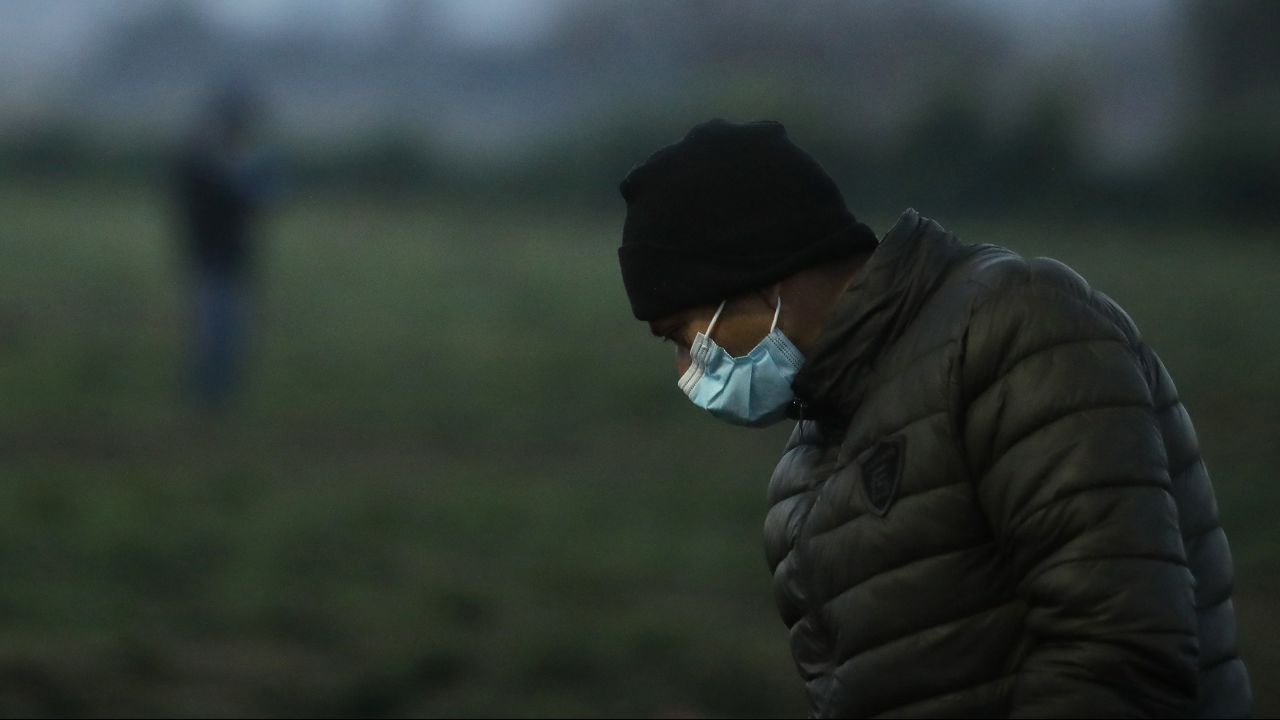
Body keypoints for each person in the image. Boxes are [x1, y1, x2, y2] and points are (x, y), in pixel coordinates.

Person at [616, 119, 1252, 718]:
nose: (685, 370)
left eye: (685, 335)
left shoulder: (1014, 330)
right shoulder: (808, 459)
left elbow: (1118, 650)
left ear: (762, 279)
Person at [173, 83, 277, 412]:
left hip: (225, 256)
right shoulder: (207, 164)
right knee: (218, 328)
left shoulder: (219, 163)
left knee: (225, 329)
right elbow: (220, 203)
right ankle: (211, 394)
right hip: (215, 256)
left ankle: (216, 393)